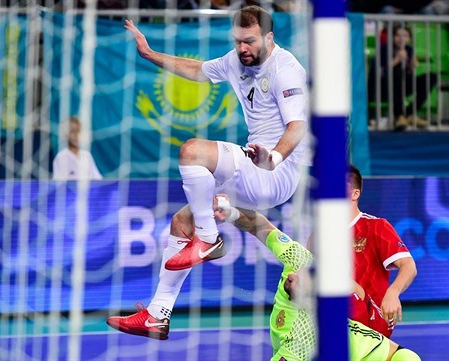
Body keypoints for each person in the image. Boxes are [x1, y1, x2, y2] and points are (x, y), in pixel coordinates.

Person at [107, 5, 310, 337]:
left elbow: (297, 127)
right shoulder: (236, 60)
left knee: (191, 152)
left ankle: (208, 238)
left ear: (269, 37)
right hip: (254, 164)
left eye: (250, 41)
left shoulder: (286, 69)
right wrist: (149, 54)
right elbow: (198, 69)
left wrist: (274, 157)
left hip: (276, 170)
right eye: (237, 41)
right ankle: (158, 315)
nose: (243, 48)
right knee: (180, 222)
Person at [216, 201, 421, 361]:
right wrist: (230, 210)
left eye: (305, 279)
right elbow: (259, 225)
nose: (294, 275)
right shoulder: (298, 260)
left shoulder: (304, 334)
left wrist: (391, 293)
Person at [348, 164, 417, 338]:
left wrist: (393, 293)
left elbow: (409, 266)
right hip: (332, 321)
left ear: (355, 194)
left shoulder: (376, 226)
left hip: (371, 325)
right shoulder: (319, 235)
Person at [368, 23, 438, 131]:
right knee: (397, 73)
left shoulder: (409, 50)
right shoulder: (384, 49)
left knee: (431, 77)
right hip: (382, 88)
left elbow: (408, 76)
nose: (401, 39)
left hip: (400, 87)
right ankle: (399, 116)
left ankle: (409, 114)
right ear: (392, 37)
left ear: (409, 39)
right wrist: (396, 61)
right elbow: (379, 73)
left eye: (405, 36)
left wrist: (411, 66)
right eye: (398, 35)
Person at [52, 116, 103, 180]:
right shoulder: (61, 157)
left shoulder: (87, 156)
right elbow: (57, 183)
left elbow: (98, 179)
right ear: (65, 135)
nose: (76, 135)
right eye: (73, 132)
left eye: (78, 131)